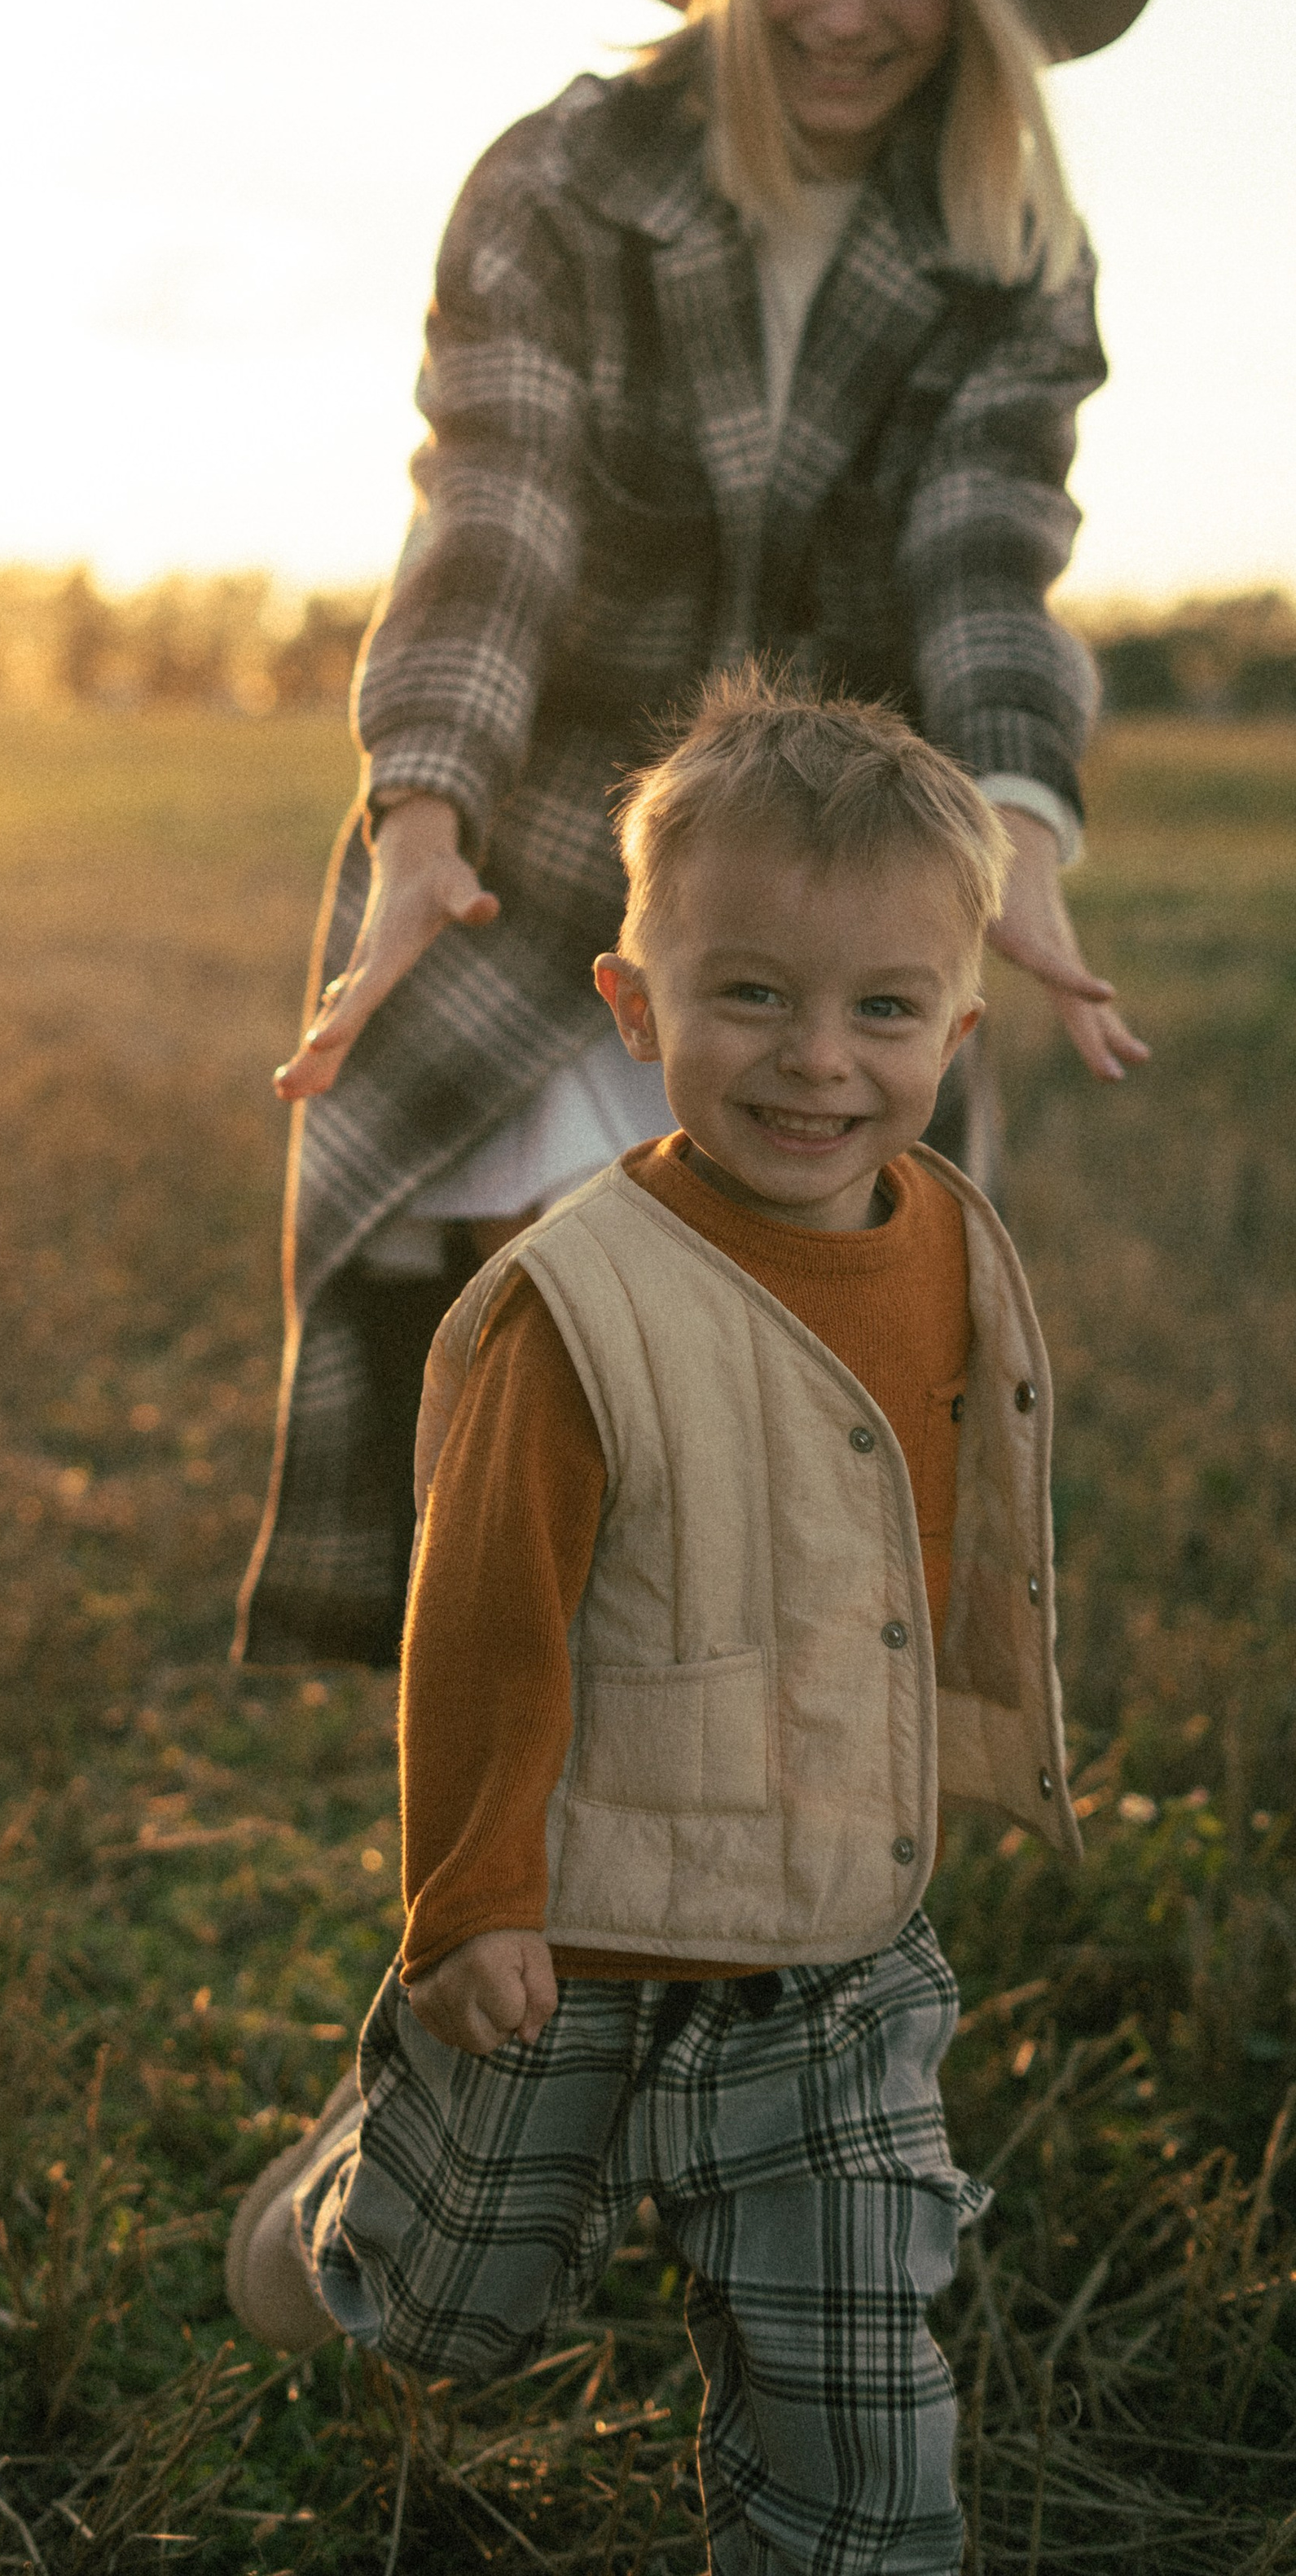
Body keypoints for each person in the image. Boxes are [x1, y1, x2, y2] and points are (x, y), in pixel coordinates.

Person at [234, 0, 1155, 1674]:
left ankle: (735, 1883)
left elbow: (981, 554)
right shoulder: (564, 181)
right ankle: (507, 1877)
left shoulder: (1011, 248)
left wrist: (1011, 839)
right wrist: (420, 815)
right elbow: (495, 507)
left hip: (816, 895)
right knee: (533, 1382)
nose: (844, 9)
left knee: (785, 1400)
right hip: (539, 851)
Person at [225, 672, 1080, 2574]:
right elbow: (486, 1620)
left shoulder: (942, 1235)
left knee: (856, 2373)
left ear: (958, 1021)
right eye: (748, 994)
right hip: (575, 1928)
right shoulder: (574, 1305)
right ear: (631, 1009)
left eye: (879, 1010)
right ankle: (328, 2224)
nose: (814, 1062)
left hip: (833, 1944)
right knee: (447, 2308)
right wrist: (470, 1898)